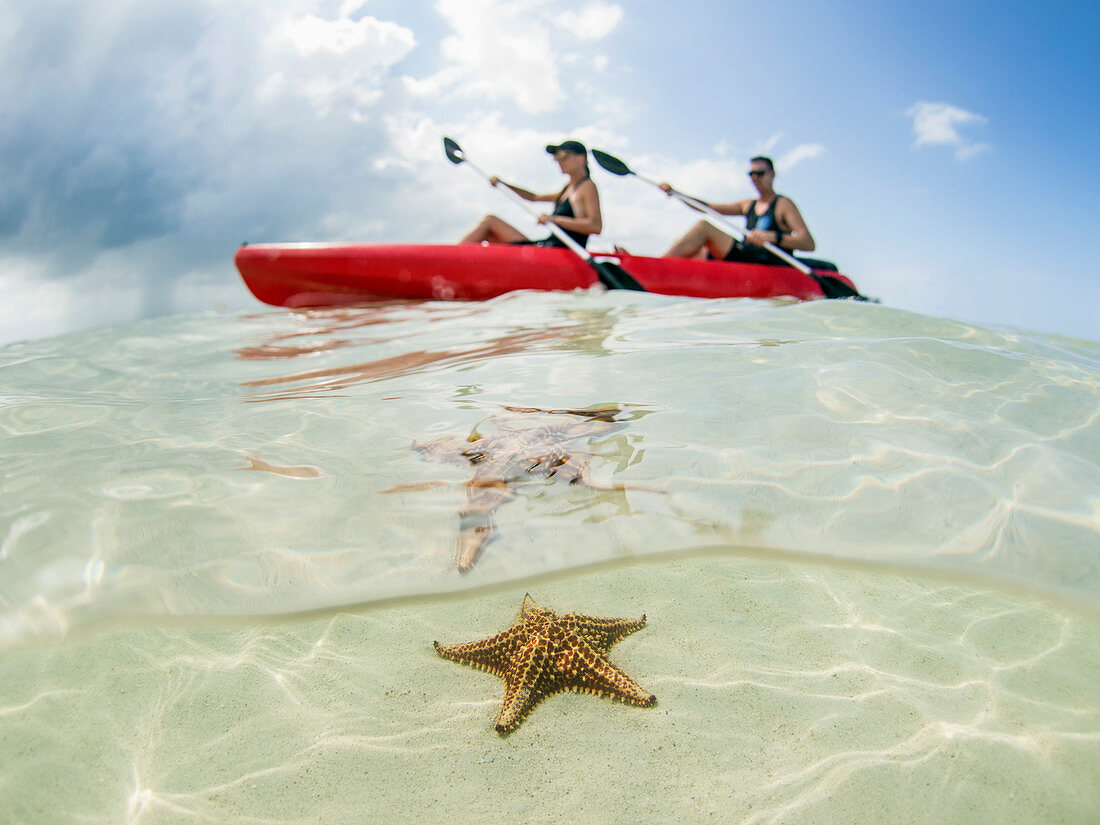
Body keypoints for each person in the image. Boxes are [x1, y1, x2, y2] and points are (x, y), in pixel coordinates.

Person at [661, 156, 814, 263]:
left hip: (767, 262)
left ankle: (657, 268)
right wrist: (677, 194)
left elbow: (808, 243)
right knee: (687, 247)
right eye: (751, 174)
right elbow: (708, 207)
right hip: (746, 255)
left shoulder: (783, 204)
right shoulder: (748, 205)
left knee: (704, 227)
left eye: (760, 173)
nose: (755, 178)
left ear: (772, 175)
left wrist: (772, 237)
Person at [460, 140, 602, 248]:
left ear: (581, 158)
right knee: (491, 231)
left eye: (563, 156)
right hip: (548, 246)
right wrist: (503, 184)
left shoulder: (587, 186)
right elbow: (533, 197)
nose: (559, 161)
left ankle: (447, 262)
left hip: (559, 252)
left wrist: (554, 219)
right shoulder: (567, 190)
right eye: (556, 158)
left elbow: (595, 226)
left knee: (490, 221)